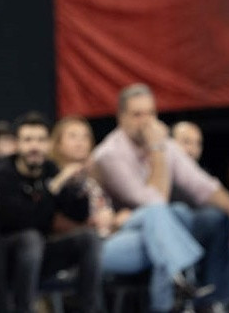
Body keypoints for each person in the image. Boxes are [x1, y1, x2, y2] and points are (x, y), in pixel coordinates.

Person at [92, 83, 229, 312]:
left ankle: (211, 301)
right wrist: (157, 151)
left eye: (150, 113)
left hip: (165, 231)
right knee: (161, 215)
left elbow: (203, 185)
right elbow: (152, 201)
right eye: (137, 115)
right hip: (128, 232)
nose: (146, 122)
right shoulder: (110, 154)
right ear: (121, 118)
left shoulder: (167, 145)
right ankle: (178, 287)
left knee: (212, 218)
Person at [49, 116, 209, 312]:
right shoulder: (52, 174)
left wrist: (116, 217)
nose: (80, 142)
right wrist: (88, 225)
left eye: (85, 136)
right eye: (73, 136)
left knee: (172, 216)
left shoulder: (94, 173)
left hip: (113, 236)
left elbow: (109, 206)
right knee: (159, 231)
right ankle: (179, 283)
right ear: (57, 143)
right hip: (84, 250)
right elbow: (48, 218)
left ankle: (171, 292)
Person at [0, 111, 102, 313]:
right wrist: (54, 187)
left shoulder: (50, 169)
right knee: (31, 238)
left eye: (41, 140)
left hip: (40, 253)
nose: (35, 147)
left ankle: (88, 308)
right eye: (28, 140)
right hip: (5, 256)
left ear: (48, 144)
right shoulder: (3, 173)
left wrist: (76, 187)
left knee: (88, 238)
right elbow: (23, 219)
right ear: (17, 144)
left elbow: (79, 215)